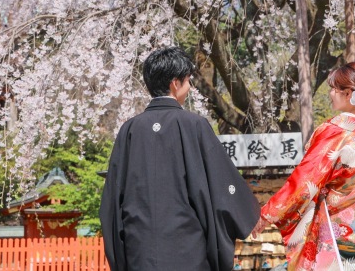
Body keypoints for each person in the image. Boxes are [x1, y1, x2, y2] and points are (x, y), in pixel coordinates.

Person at [99, 46, 260, 271]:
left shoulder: (130, 130)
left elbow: (112, 198)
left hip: (139, 252)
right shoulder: (194, 125)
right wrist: (249, 214)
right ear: (175, 83)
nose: (190, 87)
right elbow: (222, 183)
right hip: (187, 252)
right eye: (188, 81)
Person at [252, 62, 355, 271]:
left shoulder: (336, 133)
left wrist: (267, 215)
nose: (331, 94)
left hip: (339, 239)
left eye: (334, 89)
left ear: (348, 93)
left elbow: (305, 181)